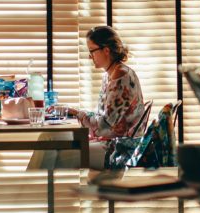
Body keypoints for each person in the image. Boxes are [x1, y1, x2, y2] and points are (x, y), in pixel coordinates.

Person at [55, 26, 146, 169]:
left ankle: (30, 188)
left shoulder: (120, 76)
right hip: (112, 142)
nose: (89, 56)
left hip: (120, 149)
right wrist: (73, 111)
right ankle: (31, 188)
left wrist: (78, 114)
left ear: (106, 50)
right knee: (51, 143)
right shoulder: (110, 75)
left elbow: (104, 127)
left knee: (59, 157)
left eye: (92, 51)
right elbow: (103, 118)